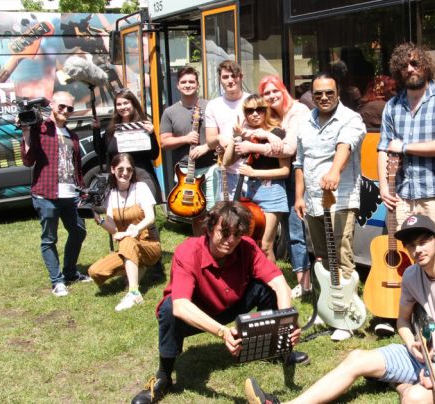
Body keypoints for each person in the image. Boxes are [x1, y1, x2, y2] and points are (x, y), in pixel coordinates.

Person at [244, 214, 435, 404]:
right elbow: (402, 321)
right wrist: (411, 343)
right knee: (357, 358)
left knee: (414, 398)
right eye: (411, 246)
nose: (418, 251)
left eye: (424, 242)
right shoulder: (412, 274)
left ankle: (402, 384)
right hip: (421, 357)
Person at [130, 201, 308, 404]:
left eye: (237, 235)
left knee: (266, 286)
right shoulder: (188, 251)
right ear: (210, 227)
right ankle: (164, 376)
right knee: (169, 308)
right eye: (224, 233)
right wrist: (223, 332)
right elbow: (181, 305)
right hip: (196, 314)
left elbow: (279, 282)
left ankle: (276, 350)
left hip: (233, 303)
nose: (231, 240)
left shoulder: (247, 247)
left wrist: (285, 323)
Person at [376, 42, 435, 337]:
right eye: (404, 66)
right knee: (408, 259)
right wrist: (385, 186)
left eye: (415, 63)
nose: (410, 69)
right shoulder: (392, 106)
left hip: (434, 193)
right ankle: (407, 317)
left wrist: (406, 147)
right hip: (401, 195)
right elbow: (383, 148)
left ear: (425, 65)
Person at [293, 72, 366, 341]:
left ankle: (345, 317)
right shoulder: (305, 122)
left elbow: (344, 146)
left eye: (329, 93)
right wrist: (299, 197)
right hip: (312, 201)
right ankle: (330, 308)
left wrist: (335, 172)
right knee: (322, 258)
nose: (324, 98)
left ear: (338, 94)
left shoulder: (351, 119)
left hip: (341, 200)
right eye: (318, 93)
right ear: (312, 95)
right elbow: (299, 162)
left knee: (342, 255)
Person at [20, 91, 91, 297]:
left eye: (70, 108)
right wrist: (26, 132)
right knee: (49, 239)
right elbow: (28, 160)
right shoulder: (39, 129)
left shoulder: (73, 135)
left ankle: (70, 272)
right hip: (46, 193)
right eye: (62, 107)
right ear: (52, 105)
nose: (66, 111)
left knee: (78, 231)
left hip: (71, 194)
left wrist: (83, 192)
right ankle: (57, 280)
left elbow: (77, 168)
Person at [252, 75, 312, 298]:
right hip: (282, 178)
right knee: (289, 230)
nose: (271, 96)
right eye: (266, 93)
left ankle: (305, 284)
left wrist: (263, 139)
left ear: (283, 89)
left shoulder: (299, 112)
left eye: (274, 91)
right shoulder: (273, 116)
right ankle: (303, 281)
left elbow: (289, 148)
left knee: (297, 230)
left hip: (300, 175)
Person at [88, 153, 162, 311]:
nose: (125, 173)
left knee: (127, 241)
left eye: (129, 169)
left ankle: (134, 293)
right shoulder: (111, 194)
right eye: (120, 169)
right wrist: (99, 219)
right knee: (95, 272)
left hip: (148, 244)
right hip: (127, 248)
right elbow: (114, 229)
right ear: (113, 170)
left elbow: (151, 217)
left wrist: (135, 230)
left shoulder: (140, 188)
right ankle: (137, 267)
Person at [224, 95, 290, 262]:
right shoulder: (250, 137)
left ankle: (273, 285)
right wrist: (236, 137)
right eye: (249, 111)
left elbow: (285, 171)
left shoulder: (277, 133)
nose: (254, 114)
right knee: (251, 242)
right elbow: (226, 161)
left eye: (259, 110)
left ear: (266, 111)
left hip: (272, 192)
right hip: (252, 193)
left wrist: (253, 173)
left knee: (266, 245)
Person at [159, 66, 216, 236]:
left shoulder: (210, 106)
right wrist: (186, 139)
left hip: (210, 167)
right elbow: (164, 142)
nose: (188, 85)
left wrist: (205, 146)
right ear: (177, 86)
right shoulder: (170, 112)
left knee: (214, 210)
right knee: (196, 213)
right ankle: (200, 247)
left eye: (191, 81)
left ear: (198, 84)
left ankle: (215, 246)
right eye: (184, 82)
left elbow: (220, 134)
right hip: (185, 169)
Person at [204, 60, 252, 208]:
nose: (230, 80)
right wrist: (219, 138)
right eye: (225, 77)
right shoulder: (213, 105)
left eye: (234, 76)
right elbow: (210, 141)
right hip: (227, 172)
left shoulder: (251, 101)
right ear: (220, 79)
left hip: (252, 170)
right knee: (229, 218)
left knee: (256, 218)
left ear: (241, 77)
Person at [105, 89, 160, 199]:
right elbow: (102, 151)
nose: (122, 107)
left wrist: (152, 135)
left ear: (133, 104)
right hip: (120, 177)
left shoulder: (144, 125)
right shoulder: (111, 129)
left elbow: (154, 155)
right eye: (119, 104)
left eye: (126, 103)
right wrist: (95, 131)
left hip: (141, 175)